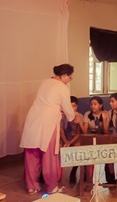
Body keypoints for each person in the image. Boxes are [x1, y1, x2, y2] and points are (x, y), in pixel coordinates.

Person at [20, 64, 79, 194]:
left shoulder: (45, 82)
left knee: (32, 154)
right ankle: (52, 187)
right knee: (50, 155)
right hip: (48, 121)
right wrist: (72, 117)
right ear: (63, 76)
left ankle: (32, 186)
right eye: (70, 77)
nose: (70, 79)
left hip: (33, 118)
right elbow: (67, 108)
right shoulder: (62, 87)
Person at [82, 96, 113, 184]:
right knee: (86, 151)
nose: (93, 106)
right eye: (91, 104)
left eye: (95, 104)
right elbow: (84, 131)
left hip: (103, 136)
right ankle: (87, 177)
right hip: (92, 137)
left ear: (100, 105)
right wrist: (81, 123)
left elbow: (106, 131)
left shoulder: (106, 113)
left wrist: (104, 119)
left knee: (108, 152)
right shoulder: (87, 114)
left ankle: (110, 177)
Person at [60, 96, 85, 185]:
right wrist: (66, 141)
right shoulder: (63, 116)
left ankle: (73, 171)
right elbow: (61, 131)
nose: (72, 109)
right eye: (70, 106)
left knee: (79, 149)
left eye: (74, 106)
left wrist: (70, 142)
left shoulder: (79, 116)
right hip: (64, 138)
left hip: (75, 139)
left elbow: (79, 133)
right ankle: (54, 173)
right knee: (57, 147)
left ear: (77, 106)